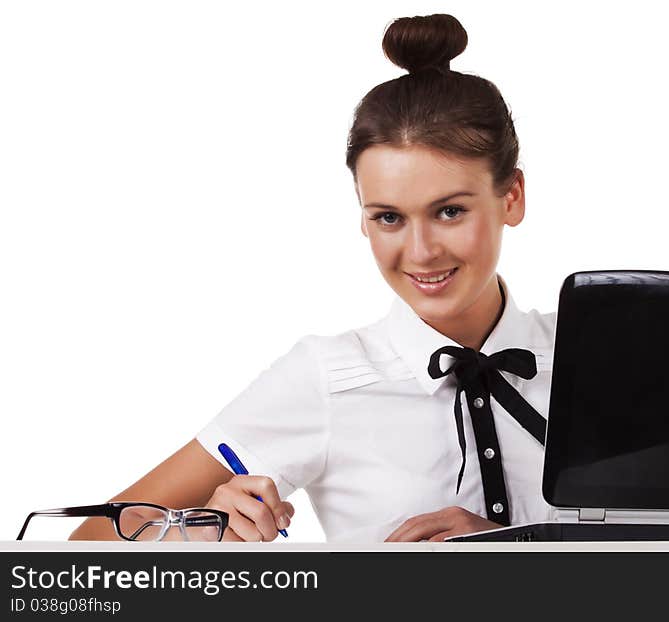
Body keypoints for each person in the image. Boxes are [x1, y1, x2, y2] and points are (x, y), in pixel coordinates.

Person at [69, 13, 557, 543]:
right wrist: (199, 535)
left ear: (512, 197)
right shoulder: (325, 377)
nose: (420, 252)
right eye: (388, 217)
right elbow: (88, 544)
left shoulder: (599, 357)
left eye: (449, 212)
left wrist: (514, 547)